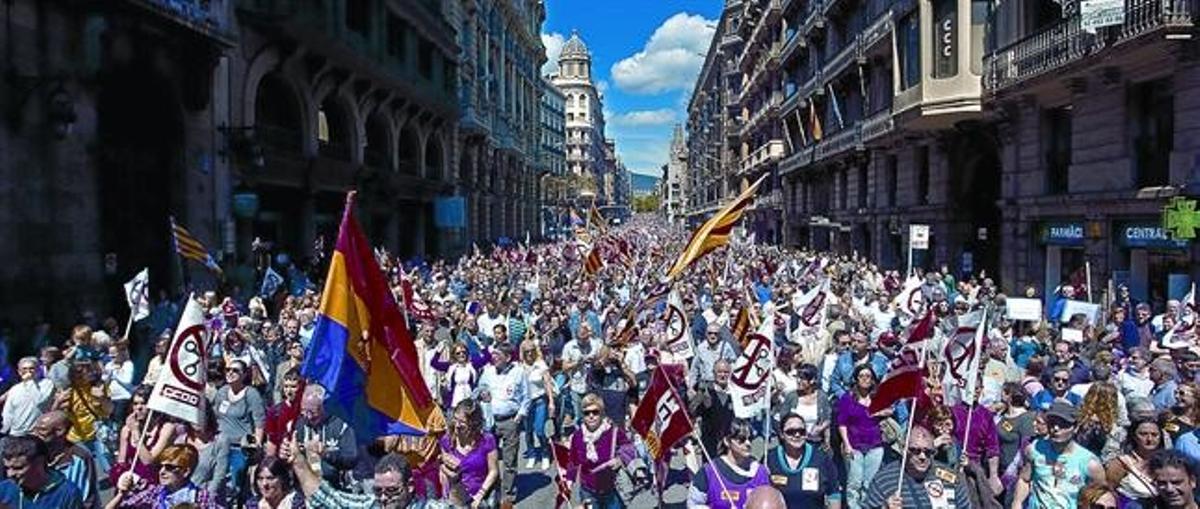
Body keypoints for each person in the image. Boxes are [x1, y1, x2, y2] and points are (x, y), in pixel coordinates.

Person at [1010, 401, 1107, 509]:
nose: (1056, 428)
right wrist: (1017, 503)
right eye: (1052, 423)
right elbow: (1024, 479)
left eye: (1063, 424)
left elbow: (1101, 497)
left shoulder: (1090, 464)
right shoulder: (1035, 449)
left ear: (1075, 428)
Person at [198, 359, 266, 497]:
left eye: (235, 370)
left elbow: (259, 423)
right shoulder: (222, 391)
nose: (230, 373)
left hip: (239, 447)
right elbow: (214, 416)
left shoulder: (251, 394)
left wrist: (256, 446)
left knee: (234, 483)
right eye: (228, 369)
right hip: (219, 444)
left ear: (244, 374)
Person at [861, 426, 970, 509]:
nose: (922, 457)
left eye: (928, 452)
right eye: (915, 451)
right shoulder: (884, 480)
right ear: (904, 450)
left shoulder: (949, 477)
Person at [476, 341, 528, 508]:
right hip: (490, 422)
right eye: (493, 354)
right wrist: (481, 393)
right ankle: (490, 489)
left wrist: (519, 417)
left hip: (510, 421)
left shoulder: (519, 372)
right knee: (488, 458)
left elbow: (527, 397)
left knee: (509, 460)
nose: (494, 357)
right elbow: (479, 388)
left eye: (497, 355)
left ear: (507, 357)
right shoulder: (488, 371)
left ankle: (508, 496)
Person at [566, 393, 636, 509]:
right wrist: (569, 482)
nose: (591, 416)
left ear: (601, 413)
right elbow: (573, 460)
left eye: (595, 412)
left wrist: (619, 460)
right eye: (587, 413)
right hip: (588, 491)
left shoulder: (613, 432)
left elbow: (629, 447)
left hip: (612, 489)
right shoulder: (578, 437)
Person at [687, 418, 771, 509]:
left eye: (750, 439)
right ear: (727, 441)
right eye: (741, 439)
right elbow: (693, 504)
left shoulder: (761, 472)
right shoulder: (709, 472)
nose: (748, 443)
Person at [765, 413, 841, 508]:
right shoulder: (770, 459)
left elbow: (833, 493)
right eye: (791, 431)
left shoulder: (821, 458)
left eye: (801, 431)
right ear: (781, 434)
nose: (797, 435)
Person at [837, 364, 887, 509]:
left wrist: (882, 412)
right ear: (856, 379)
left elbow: (892, 408)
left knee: (869, 483)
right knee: (854, 483)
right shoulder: (847, 398)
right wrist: (846, 444)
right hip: (854, 446)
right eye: (862, 376)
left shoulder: (878, 397)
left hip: (875, 446)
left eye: (868, 376)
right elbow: (842, 423)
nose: (865, 379)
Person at [107, 444, 218, 509]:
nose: (162, 471)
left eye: (169, 467)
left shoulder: (201, 497)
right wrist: (121, 494)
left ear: (185, 472)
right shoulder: (154, 493)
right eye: (161, 466)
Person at [31, 410, 99, 509]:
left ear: (60, 431)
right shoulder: (32, 453)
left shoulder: (80, 457)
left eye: (41, 430)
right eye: (34, 429)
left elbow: (87, 496)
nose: (35, 433)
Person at [294, 384, 357, 489]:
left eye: (312, 412)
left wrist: (327, 454)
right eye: (304, 411)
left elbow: (352, 458)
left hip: (335, 487)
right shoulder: (300, 424)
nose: (308, 416)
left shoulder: (341, 424)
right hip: (306, 486)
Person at [439, 398, 498, 508]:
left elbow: (493, 471)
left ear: (473, 423)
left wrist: (480, 496)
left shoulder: (487, 440)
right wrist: (446, 495)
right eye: (455, 419)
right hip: (455, 497)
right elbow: (443, 471)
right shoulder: (447, 440)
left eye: (462, 422)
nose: (457, 425)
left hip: (480, 497)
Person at [0, 435, 84, 509]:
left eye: (18, 468)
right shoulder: (4, 489)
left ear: (39, 463)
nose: (10, 474)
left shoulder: (67, 493)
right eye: (7, 468)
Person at [1105, 417, 1163, 509]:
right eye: (1143, 434)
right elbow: (1108, 491)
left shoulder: (1165, 464)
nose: (1149, 439)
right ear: (1134, 436)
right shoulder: (1121, 463)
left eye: (1154, 435)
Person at [518, 338, 554, 470]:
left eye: (531, 351)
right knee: (528, 431)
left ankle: (545, 454)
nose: (529, 354)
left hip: (540, 401)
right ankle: (532, 454)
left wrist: (551, 402)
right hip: (526, 403)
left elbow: (547, 384)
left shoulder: (541, 365)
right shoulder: (519, 367)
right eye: (526, 351)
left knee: (539, 429)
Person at [1, 356, 55, 436]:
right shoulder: (15, 389)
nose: (28, 371)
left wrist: (30, 381)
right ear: (19, 372)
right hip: (16, 433)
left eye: (31, 368)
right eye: (24, 369)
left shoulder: (47, 384)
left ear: (37, 370)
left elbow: (40, 401)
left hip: (36, 434)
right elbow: (8, 412)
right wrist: (4, 431)